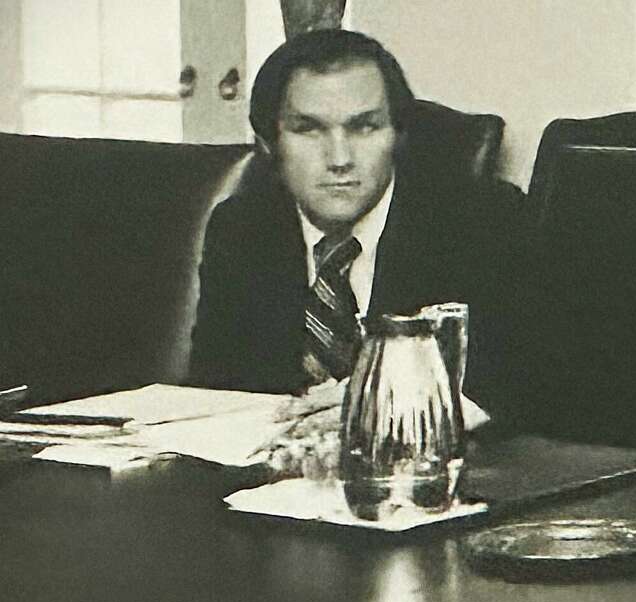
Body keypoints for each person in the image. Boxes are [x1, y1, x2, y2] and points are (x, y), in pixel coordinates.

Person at [189, 28, 518, 401]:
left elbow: (512, 399)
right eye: (308, 130)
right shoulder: (242, 228)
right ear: (269, 144)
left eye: (364, 127)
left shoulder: (484, 224)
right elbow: (215, 393)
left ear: (398, 134)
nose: (340, 159)